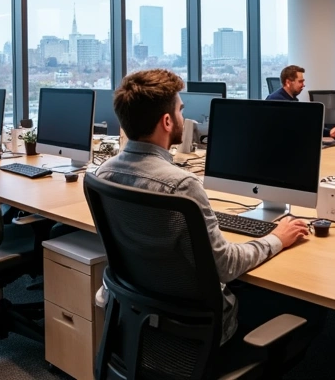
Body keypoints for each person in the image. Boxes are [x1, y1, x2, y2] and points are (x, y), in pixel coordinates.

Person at [93, 69, 321, 369]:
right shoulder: (181, 185)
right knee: (311, 304)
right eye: (180, 110)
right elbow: (225, 266)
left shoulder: (104, 173)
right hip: (205, 333)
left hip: (143, 316)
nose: (184, 116)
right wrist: (276, 238)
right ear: (167, 121)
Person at [266, 64, 335, 139]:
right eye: (300, 81)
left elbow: (303, 125)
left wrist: (329, 132)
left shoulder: (292, 99)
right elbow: (296, 129)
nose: (303, 85)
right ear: (288, 82)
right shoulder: (277, 101)